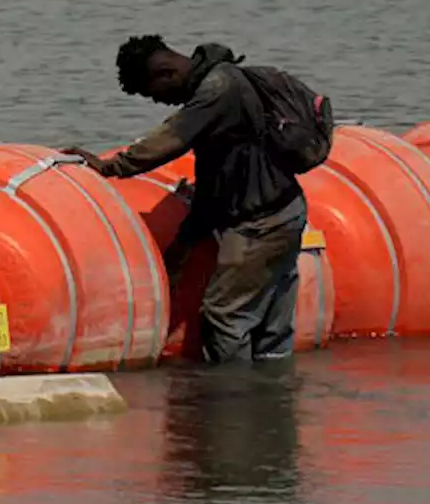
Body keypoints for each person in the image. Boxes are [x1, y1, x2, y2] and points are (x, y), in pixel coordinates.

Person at [62, 36, 308, 364]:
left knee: (224, 319)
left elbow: (171, 138)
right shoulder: (226, 83)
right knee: (271, 329)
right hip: (285, 210)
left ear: (166, 73)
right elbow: (214, 183)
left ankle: (234, 404)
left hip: (259, 225)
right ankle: (272, 402)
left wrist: (111, 166)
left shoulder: (216, 91)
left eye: (154, 94)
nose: (160, 103)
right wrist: (186, 240)